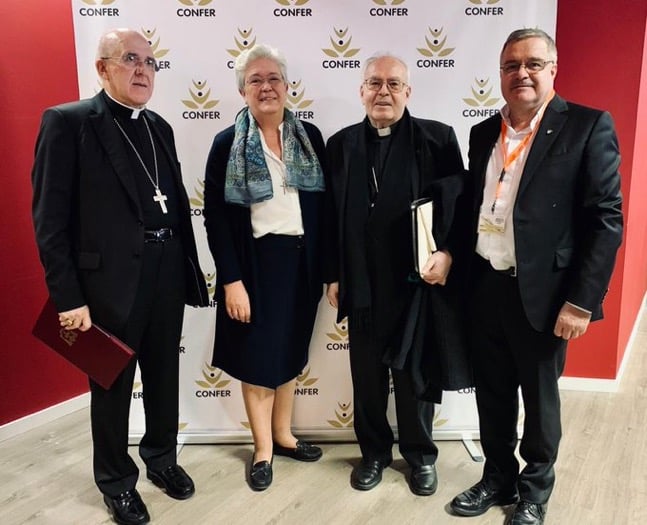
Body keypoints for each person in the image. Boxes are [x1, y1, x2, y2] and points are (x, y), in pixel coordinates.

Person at [32, 28, 209, 525]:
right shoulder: (68, 122)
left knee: (164, 374)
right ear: (102, 67)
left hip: (166, 269)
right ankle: (116, 482)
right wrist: (68, 298)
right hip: (107, 283)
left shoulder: (159, 127)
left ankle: (162, 459)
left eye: (151, 62)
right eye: (131, 59)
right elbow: (49, 221)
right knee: (111, 385)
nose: (143, 70)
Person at [449, 29, 623, 525]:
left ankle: (535, 491)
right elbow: (474, 206)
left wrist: (581, 301)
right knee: (492, 393)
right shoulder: (483, 132)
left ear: (553, 69)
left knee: (540, 400)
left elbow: (606, 219)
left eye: (532, 63)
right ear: (500, 73)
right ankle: (497, 477)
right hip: (485, 284)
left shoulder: (587, 126)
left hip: (545, 294)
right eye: (511, 65)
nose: (521, 73)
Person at [324, 53, 470, 496]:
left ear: (408, 91)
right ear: (361, 91)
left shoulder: (437, 139)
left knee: (415, 377)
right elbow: (329, 216)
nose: (383, 92)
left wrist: (448, 254)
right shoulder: (341, 144)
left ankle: (421, 456)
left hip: (415, 285)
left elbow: (460, 207)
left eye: (393, 84)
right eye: (374, 83)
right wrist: (333, 275)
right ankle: (373, 453)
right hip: (362, 282)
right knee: (366, 377)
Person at [203, 44, 326, 492]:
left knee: (290, 353)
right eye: (255, 80)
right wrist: (231, 281)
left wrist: (330, 271)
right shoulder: (226, 144)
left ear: (287, 86)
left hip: (303, 264)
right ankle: (262, 450)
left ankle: (284, 435)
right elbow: (216, 220)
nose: (266, 87)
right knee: (258, 361)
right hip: (255, 268)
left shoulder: (310, 137)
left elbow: (325, 210)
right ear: (243, 91)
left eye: (273, 78)